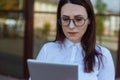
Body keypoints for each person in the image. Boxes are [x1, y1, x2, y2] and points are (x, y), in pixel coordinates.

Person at [36, 0, 115, 80]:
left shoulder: (103, 55)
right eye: (65, 19)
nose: (71, 26)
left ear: (89, 20)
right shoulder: (47, 50)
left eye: (78, 19)